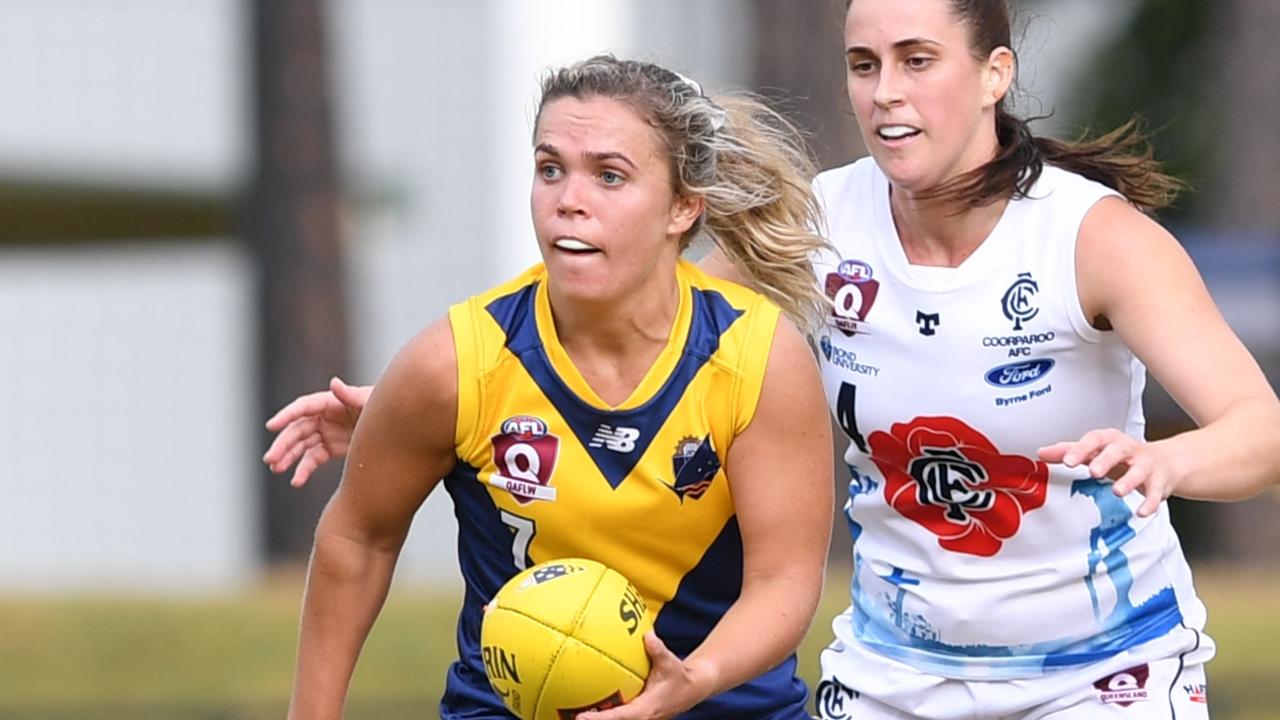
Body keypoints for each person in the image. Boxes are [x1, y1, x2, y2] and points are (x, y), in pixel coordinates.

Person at [268, 2, 1280, 718]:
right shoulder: (819, 221)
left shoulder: (1088, 238)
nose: (883, 93)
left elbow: (1259, 432)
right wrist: (430, 418)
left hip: (1096, 671)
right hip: (894, 675)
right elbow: (661, 337)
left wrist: (1169, 463)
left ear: (994, 72)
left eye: (916, 59)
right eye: (862, 63)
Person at [279, 55, 835, 720]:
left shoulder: (760, 357)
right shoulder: (453, 364)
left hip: (725, 708)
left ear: (683, 207)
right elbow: (357, 539)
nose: (569, 199)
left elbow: (784, 584)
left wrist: (692, 680)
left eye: (609, 176)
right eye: (550, 169)